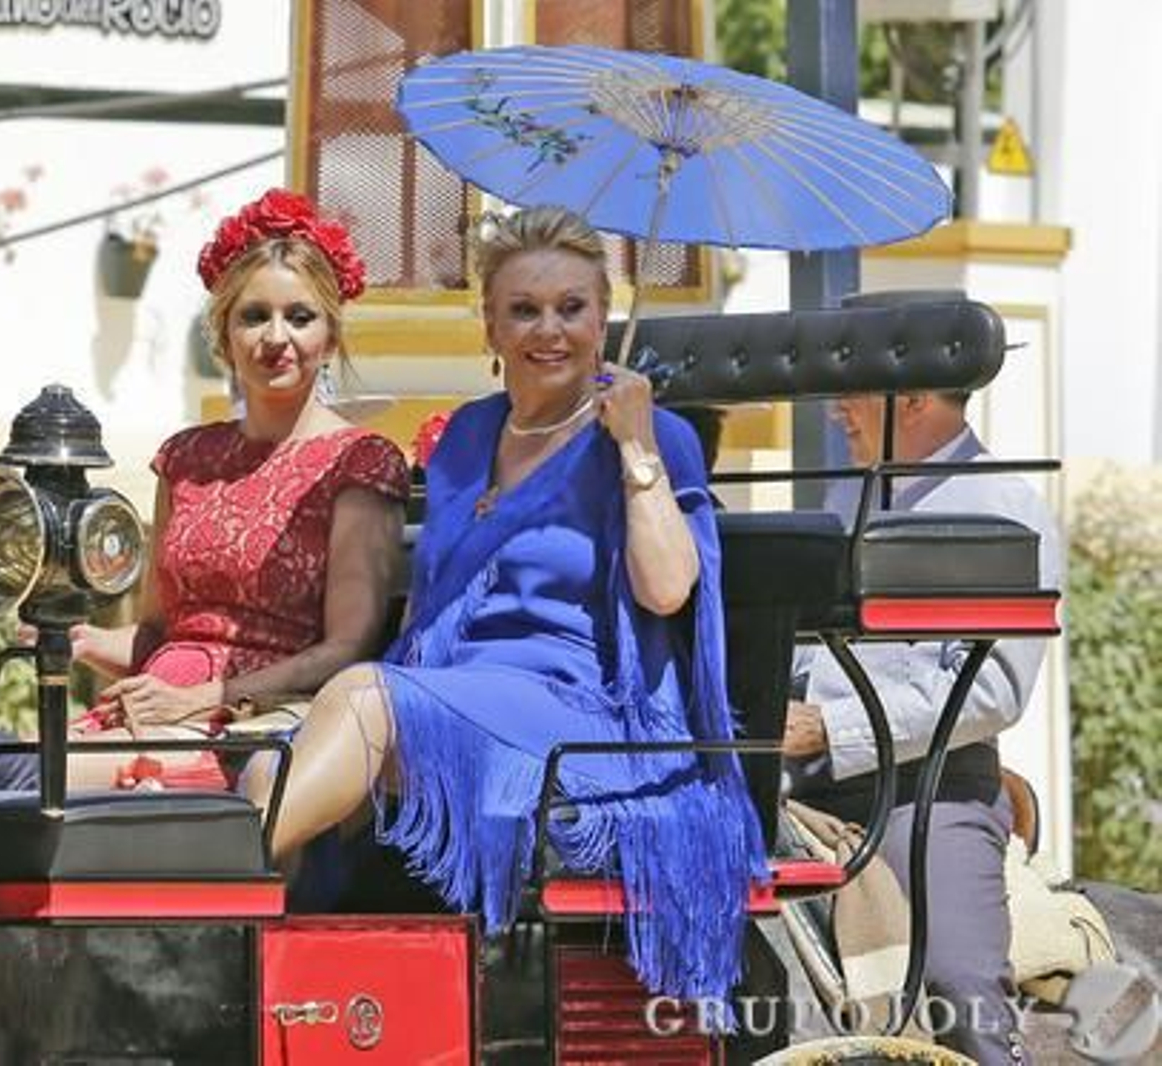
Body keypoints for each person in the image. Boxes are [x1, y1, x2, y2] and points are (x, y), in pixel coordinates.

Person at [244, 206, 767, 1002]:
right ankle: (256, 989)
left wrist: (634, 445)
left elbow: (667, 588)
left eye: (571, 307)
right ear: (489, 325)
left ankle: (205, 910)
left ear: (603, 317)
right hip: (452, 694)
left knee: (361, 700)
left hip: (580, 714)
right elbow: (430, 605)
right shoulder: (466, 435)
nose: (548, 330)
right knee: (268, 762)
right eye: (524, 309)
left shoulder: (654, 435)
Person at [60, 189, 409, 790]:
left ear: (330, 337)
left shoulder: (358, 460)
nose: (276, 336)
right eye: (253, 316)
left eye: (299, 317)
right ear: (223, 335)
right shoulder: (185, 458)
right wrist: (81, 641)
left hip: (267, 723)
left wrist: (200, 699)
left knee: (48, 779)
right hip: (154, 713)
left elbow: (347, 648)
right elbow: (159, 632)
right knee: (8, 768)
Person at [784, 389, 1062, 1065]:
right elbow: (811, 650)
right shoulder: (848, 496)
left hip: (930, 789)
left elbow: (995, 691)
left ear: (910, 398)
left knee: (958, 980)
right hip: (800, 778)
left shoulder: (1006, 507)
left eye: (851, 391)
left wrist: (831, 727)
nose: (834, 409)